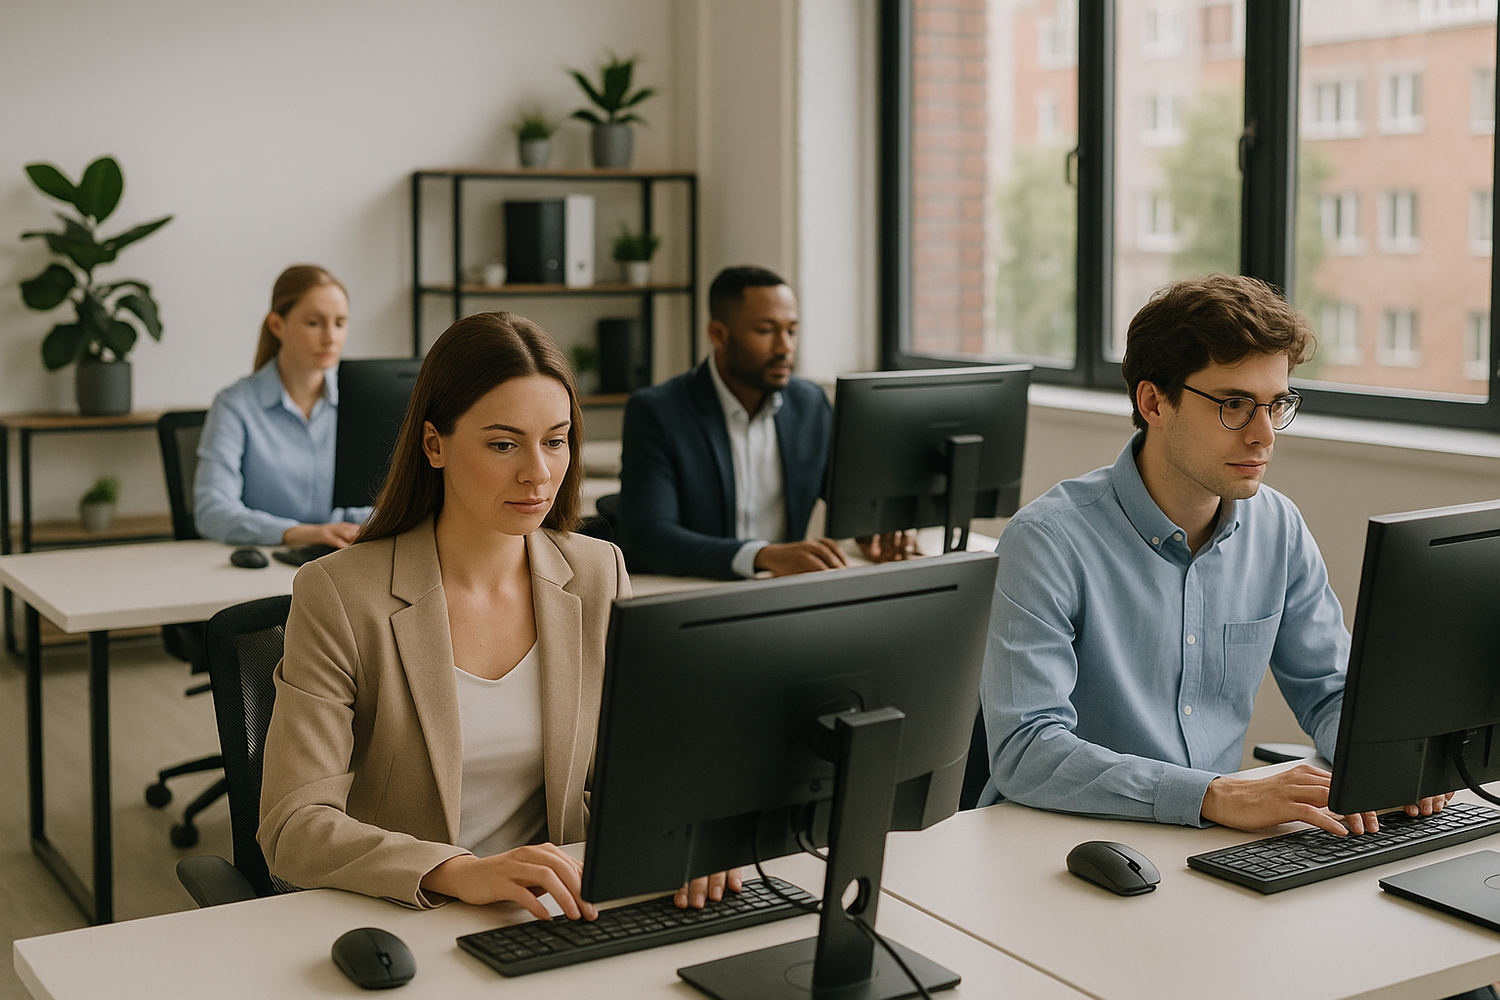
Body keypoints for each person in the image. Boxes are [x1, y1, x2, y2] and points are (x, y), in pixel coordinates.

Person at [258, 311, 740, 916]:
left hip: (560, 909)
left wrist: (693, 827)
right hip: (409, 912)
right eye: (504, 443)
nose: (537, 472)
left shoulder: (597, 574)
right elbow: (293, 824)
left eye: (556, 441)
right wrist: (459, 872)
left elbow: (650, 763)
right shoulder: (339, 594)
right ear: (435, 444)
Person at [978, 273, 1450, 836]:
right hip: (1055, 844)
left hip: (1207, 842)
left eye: (1276, 406)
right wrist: (1211, 795)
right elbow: (1025, 752)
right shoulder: (1047, 541)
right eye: (1235, 404)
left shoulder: (1278, 526)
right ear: (1154, 402)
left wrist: (1392, 763)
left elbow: (1332, 689)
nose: (1264, 436)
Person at [619, 265, 909, 579]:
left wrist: (875, 530)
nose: (785, 347)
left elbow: (850, 497)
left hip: (784, 594)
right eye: (765, 330)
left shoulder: (809, 404)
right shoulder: (657, 411)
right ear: (718, 334)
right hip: (697, 591)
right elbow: (646, 538)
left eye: (792, 330)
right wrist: (762, 556)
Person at [194, 265, 370, 547]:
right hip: (266, 561)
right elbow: (212, 512)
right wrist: (302, 534)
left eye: (340, 323)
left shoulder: (361, 402)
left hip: (343, 560)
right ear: (277, 325)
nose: (330, 337)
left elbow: (375, 503)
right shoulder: (235, 404)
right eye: (314, 323)